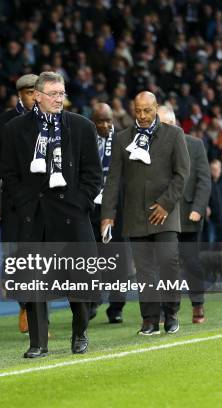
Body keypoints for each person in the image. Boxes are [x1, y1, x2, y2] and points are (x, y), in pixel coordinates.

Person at [1, 71, 102, 358]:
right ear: (37, 96)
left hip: (71, 215)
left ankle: (80, 332)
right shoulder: (15, 129)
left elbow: (93, 175)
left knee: (78, 282)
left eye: (62, 93)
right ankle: (38, 342)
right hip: (35, 215)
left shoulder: (82, 127)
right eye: (54, 94)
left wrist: (79, 204)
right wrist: (24, 203)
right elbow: (8, 175)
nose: (60, 99)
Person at [101, 92, 190, 336]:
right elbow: (112, 180)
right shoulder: (121, 139)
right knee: (144, 271)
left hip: (165, 214)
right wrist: (107, 214)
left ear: (156, 109)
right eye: (137, 111)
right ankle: (150, 320)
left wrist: (165, 204)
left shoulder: (174, 135)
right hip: (135, 216)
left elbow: (182, 174)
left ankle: (171, 313)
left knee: (168, 264)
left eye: (146, 111)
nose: (141, 116)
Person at [0, 74, 38, 333]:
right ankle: (25, 305)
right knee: (17, 257)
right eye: (29, 93)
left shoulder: (52, 120)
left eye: (37, 92)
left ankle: (38, 312)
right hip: (13, 200)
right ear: (20, 95)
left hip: (44, 199)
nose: (34, 97)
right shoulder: (4, 122)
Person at [157, 105, 211, 324]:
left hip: (189, 215)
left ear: (174, 122)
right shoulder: (151, 146)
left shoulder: (195, 145)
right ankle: (168, 309)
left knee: (191, 263)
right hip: (162, 215)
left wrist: (198, 208)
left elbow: (204, 180)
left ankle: (198, 304)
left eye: (165, 124)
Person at [89, 103, 132, 324]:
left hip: (116, 209)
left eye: (109, 120)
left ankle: (116, 307)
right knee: (89, 258)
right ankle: (91, 301)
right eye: (100, 121)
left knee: (118, 259)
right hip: (91, 209)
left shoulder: (123, 141)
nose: (106, 125)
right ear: (92, 122)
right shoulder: (85, 141)